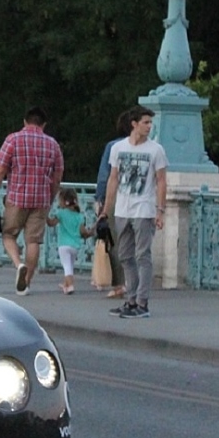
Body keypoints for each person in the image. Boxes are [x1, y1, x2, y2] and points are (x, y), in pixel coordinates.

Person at [0, 106, 65, 296]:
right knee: (33, 241)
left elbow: (0, 170)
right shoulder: (52, 144)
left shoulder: (13, 139)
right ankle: (26, 283)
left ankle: (18, 264)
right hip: (41, 199)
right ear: (43, 124)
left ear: (25, 122)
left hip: (16, 198)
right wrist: (51, 197)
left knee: (9, 235)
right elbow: (58, 175)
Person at [100, 105, 168, 319]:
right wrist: (106, 209)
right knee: (125, 255)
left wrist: (160, 210)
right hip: (122, 208)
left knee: (142, 255)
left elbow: (161, 181)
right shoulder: (118, 148)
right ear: (134, 124)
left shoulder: (155, 150)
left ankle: (142, 301)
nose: (149, 127)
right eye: (145, 122)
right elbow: (113, 179)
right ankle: (130, 299)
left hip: (144, 208)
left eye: (150, 123)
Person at [93, 111, 131, 298]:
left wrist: (100, 201)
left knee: (115, 241)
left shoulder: (113, 146)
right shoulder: (150, 147)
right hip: (139, 199)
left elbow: (105, 175)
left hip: (116, 198)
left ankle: (120, 284)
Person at [47, 187, 89, 295]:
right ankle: (66, 284)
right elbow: (82, 231)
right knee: (70, 265)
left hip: (63, 244)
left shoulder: (61, 213)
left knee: (66, 266)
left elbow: (51, 223)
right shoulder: (79, 216)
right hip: (75, 245)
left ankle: (70, 285)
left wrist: (45, 216)